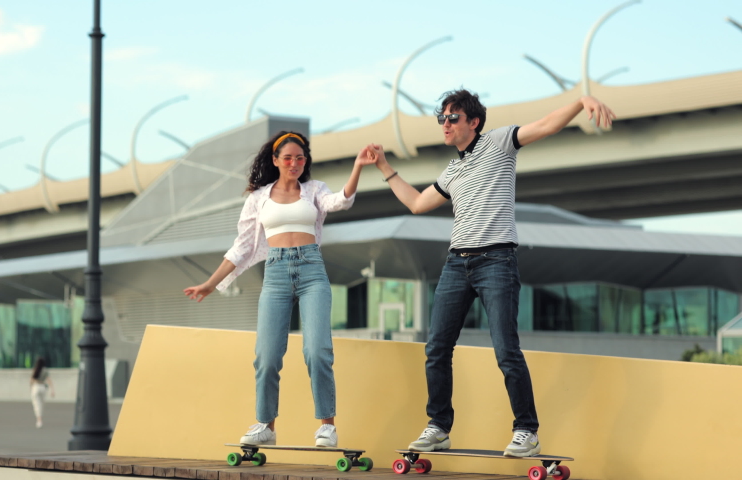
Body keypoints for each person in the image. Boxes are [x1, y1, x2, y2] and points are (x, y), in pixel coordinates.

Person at [371, 90, 615, 456]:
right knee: (436, 348)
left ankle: (526, 430)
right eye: (442, 118)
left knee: (506, 350)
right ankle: (438, 426)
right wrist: (385, 168)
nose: (446, 124)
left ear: (474, 122)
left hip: (496, 262)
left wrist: (582, 102)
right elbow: (418, 203)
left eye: (453, 118)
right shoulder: (452, 170)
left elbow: (546, 126)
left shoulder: (500, 142)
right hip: (457, 264)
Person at [184, 131, 375, 448]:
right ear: (275, 160)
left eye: (300, 158)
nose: (295, 163)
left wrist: (357, 166)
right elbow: (241, 248)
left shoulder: (313, 190)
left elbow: (341, 201)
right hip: (275, 274)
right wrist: (209, 283)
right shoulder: (258, 198)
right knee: (267, 356)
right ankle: (266, 425)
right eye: (288, 158)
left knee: (317, 351)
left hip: (312, 270)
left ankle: (327, 426)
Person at [30, 357, 55, 428]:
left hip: (36, 386)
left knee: (36, 404)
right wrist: (52, 390)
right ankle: (40, 419)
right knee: (41, 403)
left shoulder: (35, 369)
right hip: (43, 387)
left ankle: (39, 419)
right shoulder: (45, 370)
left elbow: (31, 380)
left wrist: (31, 388)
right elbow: (49, 380)